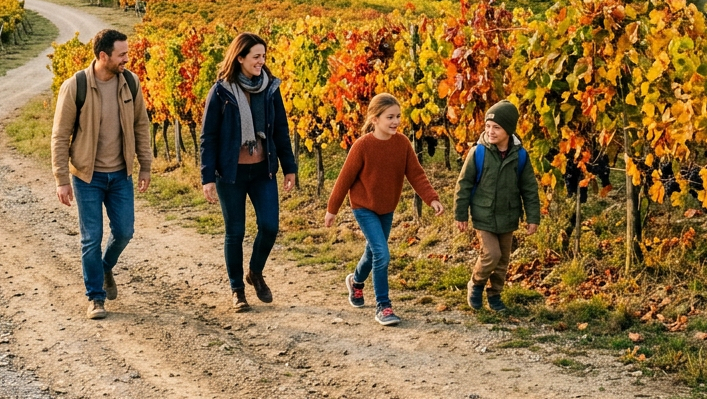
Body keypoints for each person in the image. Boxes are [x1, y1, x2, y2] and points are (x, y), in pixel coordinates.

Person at [51, 29, 153, 320]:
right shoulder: (76, 86)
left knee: (124, 232)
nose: (127, 59)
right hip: (87, 177)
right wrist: (61, 179)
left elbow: (141, 127)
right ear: (103, 55)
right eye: (122, 54)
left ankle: (105, 266)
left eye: (127, 53)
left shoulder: (130, 83)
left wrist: (144, 165)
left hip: (121, 173)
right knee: (91, 238)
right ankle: (95, 298)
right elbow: (60, 136)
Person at [325, 94, 444, 326]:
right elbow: (344, 179)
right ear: (375, 118)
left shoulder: (402, 144)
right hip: (363, 207)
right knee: (382, 253)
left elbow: (416, 174)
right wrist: (332, 209)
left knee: (372, 252)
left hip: (387, 208)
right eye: (390, 117)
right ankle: (383, 306)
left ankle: (356, 282)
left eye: (398, 116)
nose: (395, 121)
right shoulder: (362, 146)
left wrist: (432, 199)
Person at [200, 32, 297, 312]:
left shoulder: (269, 89)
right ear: (240, 57)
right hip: (230, 174)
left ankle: (255, 272)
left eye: (264, 56)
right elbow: (209, 136)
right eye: (256, 56)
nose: (261, 61)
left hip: (262, 170)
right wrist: (207, 176)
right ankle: (237, 290)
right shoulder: (221, 92)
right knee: (236, 231)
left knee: (270, 226)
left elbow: (280, 129)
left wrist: (289, 167)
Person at [454, 100, 541, 313]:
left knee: (502, 260)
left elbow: (529, 188)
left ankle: (494, 296)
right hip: (483, 213)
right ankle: (476, 284)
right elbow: (463, 184)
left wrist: (533, 217)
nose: (491, 131)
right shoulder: (478, 153)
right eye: (488, 126)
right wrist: (460, 214)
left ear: (508, 130)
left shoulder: (520, 156)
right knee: (491, 254)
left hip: (508, 214)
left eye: (497, 127)